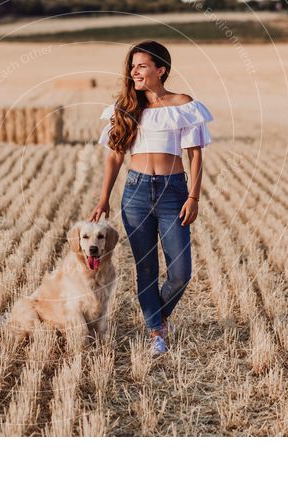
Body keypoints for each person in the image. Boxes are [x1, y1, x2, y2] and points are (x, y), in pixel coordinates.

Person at [88, 40, 213, 356]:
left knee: (180, 272)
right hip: (136, 193)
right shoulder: (127, 108)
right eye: (132, 66)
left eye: (141, 65)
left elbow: (195, 156)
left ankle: (156, 315)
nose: (134, 71)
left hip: (174, 192)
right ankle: (156, 331)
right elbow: (115, 157)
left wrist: (194, 197)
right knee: (146, 269)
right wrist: (103, 199)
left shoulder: (182, 104)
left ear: (161, 69)